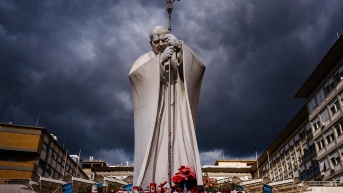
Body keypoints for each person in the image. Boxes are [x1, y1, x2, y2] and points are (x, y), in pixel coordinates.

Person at [129, 26, 205, 189]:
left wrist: (180, 48)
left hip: (177, 111)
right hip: (155, 113)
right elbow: (135, 77)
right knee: (157, 148)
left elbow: (198, 69)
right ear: (150, 42)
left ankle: (181, 181)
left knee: (179, 142)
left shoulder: (176, 54)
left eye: (164, 40)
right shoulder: (144, 60)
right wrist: (159, 62)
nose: (160, 44)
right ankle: (155, 183)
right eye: (156, 41)